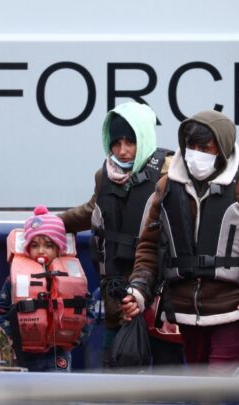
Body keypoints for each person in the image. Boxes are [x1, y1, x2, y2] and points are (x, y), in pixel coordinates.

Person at [120, 110, 239, 373]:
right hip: (184, 312)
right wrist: (138, 289)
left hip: (232, 308)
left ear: (222, 149)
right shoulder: (167, 187)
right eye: (191, 146)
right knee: (202, 392)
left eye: (204, 147)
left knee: (218, 390)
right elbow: (148, 246)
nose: (195, 154)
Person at [59, 101, 183, 368]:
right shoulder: (104, 176)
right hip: (117, 295)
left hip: (160, 298)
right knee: (116, 378)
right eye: (116, 143)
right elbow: (92, 210)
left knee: (166, 383)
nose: (123, 151)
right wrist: (50, 222)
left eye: (130, 142)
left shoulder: (171, 172)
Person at [0, 206, 88, 372]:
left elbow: (87, 309)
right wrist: (10, 336)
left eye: (48, 245)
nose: (41, 250)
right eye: (35, 245)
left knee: (56, 394)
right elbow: (2, 310)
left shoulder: (72, 279)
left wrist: (78, 337)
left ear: (59, 249)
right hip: (23, 353)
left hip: (58, 353)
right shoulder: (14, 280)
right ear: (28, 248)